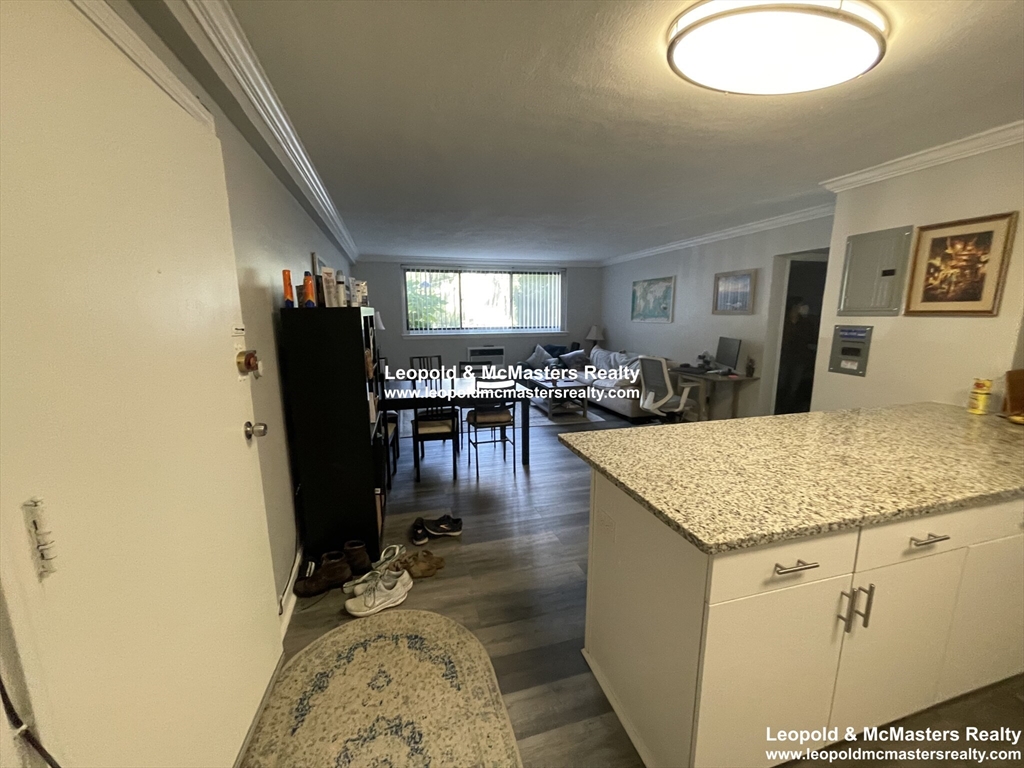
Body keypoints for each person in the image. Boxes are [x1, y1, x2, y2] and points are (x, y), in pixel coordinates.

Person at [776, 296, 818, 414]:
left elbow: (811, 338)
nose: (804, 308)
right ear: (794, 306)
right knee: (781, 384)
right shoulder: (782, 321)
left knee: (794, 387)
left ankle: (788, 411)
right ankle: (777, 409)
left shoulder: (806, 322)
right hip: (784, 357)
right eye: (801, 305)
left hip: (799, 358)